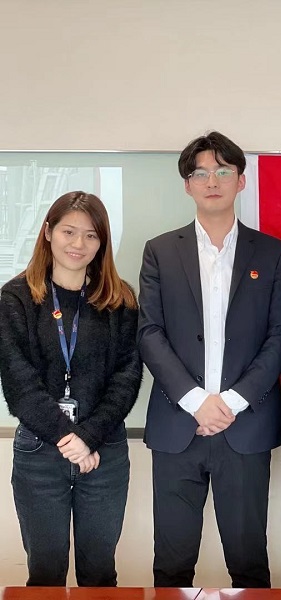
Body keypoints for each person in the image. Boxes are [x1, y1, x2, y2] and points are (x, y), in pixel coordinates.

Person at [138, 131, 281, 587]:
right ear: (187, 184)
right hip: (177, 427)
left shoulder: (272, 253)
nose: (212, 181)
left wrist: (230, 402)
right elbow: (149, 332)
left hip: (244, 428)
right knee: (172, 565)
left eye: (223, 171)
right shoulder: (161, 251)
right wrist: (195, 401)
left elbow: (279, 337)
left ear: (241, 181)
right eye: (201, 173)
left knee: (249, 565)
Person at [0, 191, 141, 586]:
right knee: (45, 574)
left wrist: (89, 437)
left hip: (104, 452)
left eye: (91, 235)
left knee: (100, 574)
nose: (79, 244)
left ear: (102, 242)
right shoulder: (15, 298)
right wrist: (70, 439)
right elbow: (18, 382)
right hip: (40, 453)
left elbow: (127, 376)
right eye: (69, 232)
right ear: (48, 232)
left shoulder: (120, 299)